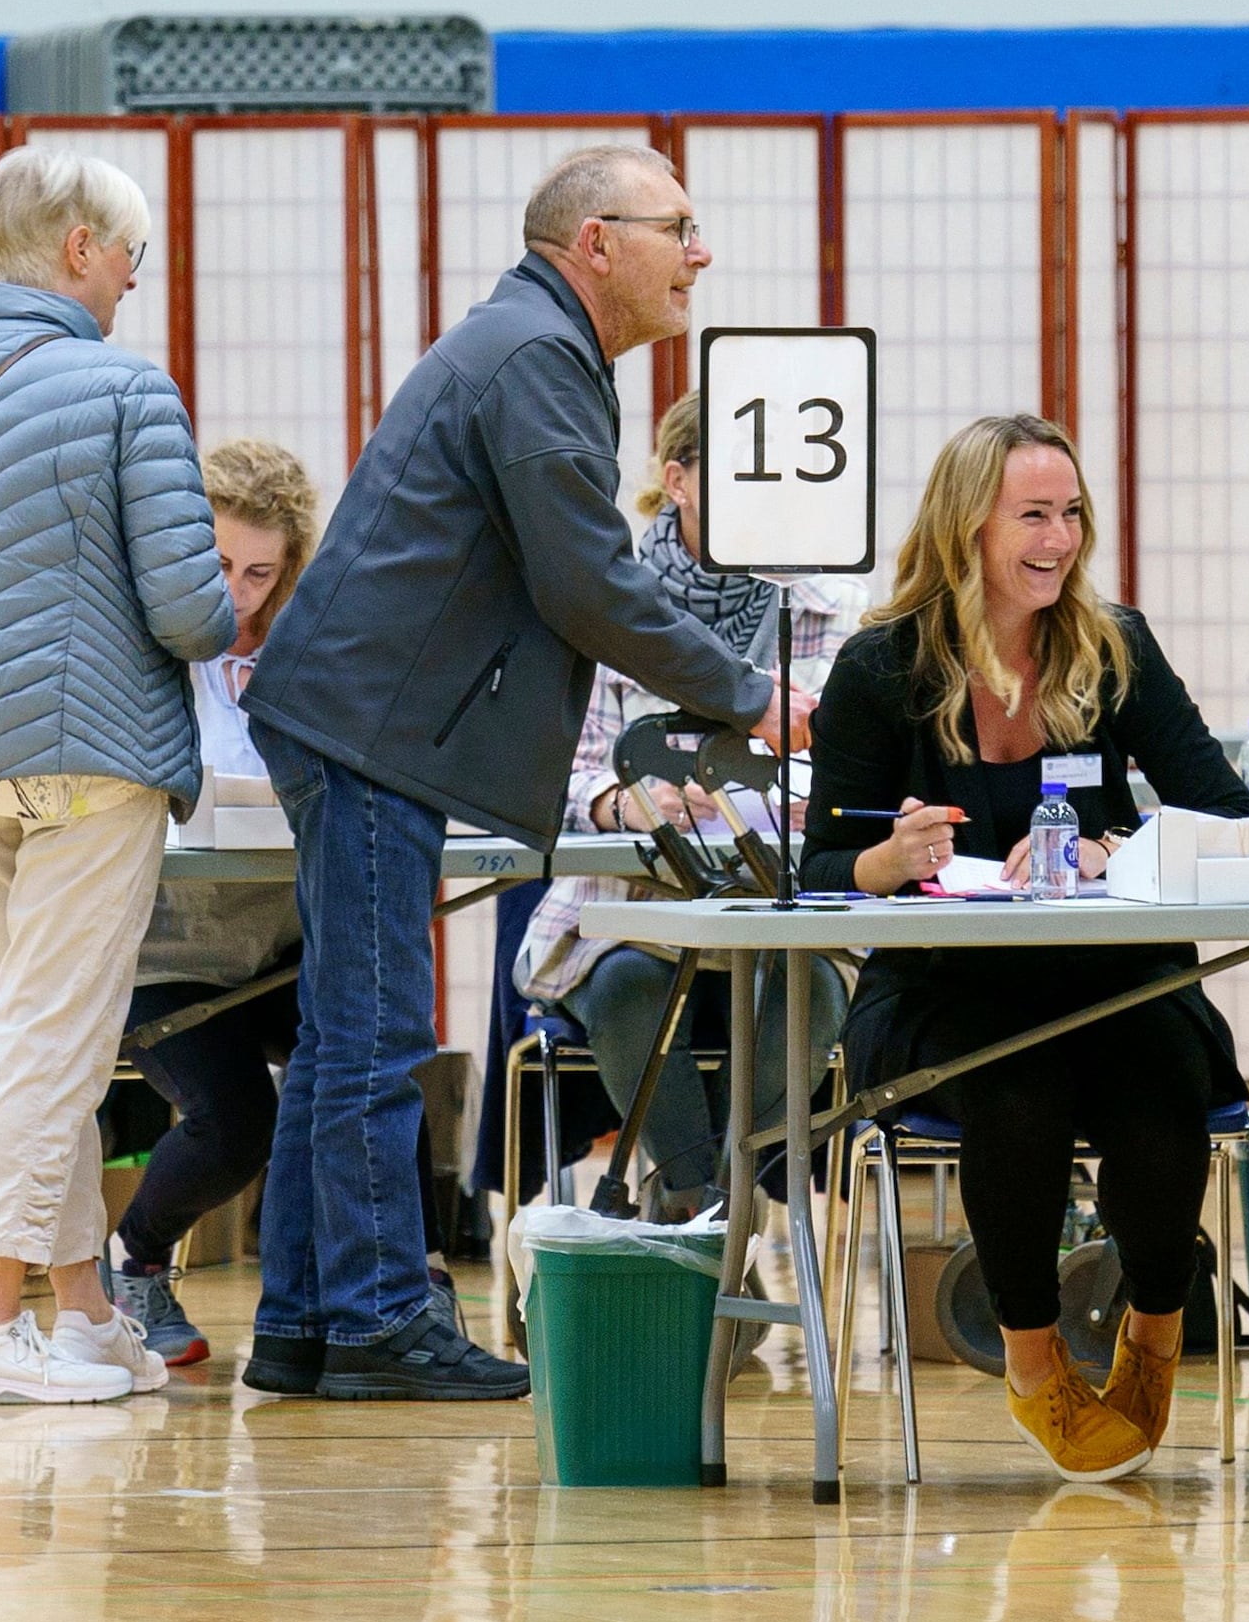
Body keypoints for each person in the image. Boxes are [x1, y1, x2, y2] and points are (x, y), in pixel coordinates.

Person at [245, 143, 794, 1405]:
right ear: (594, 242)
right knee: (375, 1033)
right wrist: (756, 697)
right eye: (679, 227)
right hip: (369, 725)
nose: (699, 253)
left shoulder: (528, 344)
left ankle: (305, 1323)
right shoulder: (540, 358)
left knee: (341, 1035)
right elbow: (589, 583)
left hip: (355, 715)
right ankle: (380, 1319)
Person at [0, 143, 232, 1407]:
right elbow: (189, 610)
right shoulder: (129, 391)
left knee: (27, 1038)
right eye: (131, 252)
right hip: (90, 759)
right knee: (54, 1047)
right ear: (80, 247)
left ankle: (81, 1318)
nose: (134, 278)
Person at [809, 415, 1249, 1480]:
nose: (1058, 538)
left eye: (1070, 514)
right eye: (1032, 515)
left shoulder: (1112, 646)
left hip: (1110, 973)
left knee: (1162, 1080)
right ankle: (1030, 1353)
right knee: (1017, 1089)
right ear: (967, 527)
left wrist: (1119, 847)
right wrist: (883, 861)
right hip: (944, 985)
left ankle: (1154, 1329)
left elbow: (1225, 815)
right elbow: (817, 866)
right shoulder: (880, 667)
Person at [515, 391, 856, 1226]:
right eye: (742, 471)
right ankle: (703, 1204)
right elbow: (551, 767)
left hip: (784, 903)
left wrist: (764, 788)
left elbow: (856, 773)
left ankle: (722, 1203)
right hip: (636, 907)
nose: (768, 489)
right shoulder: (602, 608)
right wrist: (619, 802)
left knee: (807, 989)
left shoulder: (825, 606)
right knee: (630, 985)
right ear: (678, 480)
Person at [102, 436, 327, 1369]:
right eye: (217, 564)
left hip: (275, 945)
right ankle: (138, 1259)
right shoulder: (139, 647)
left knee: (379, 1062)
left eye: (259, 571)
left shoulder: (310, 651)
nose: (234, 593)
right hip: (163, 955)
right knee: (239, 1124)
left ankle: (404, 1281)